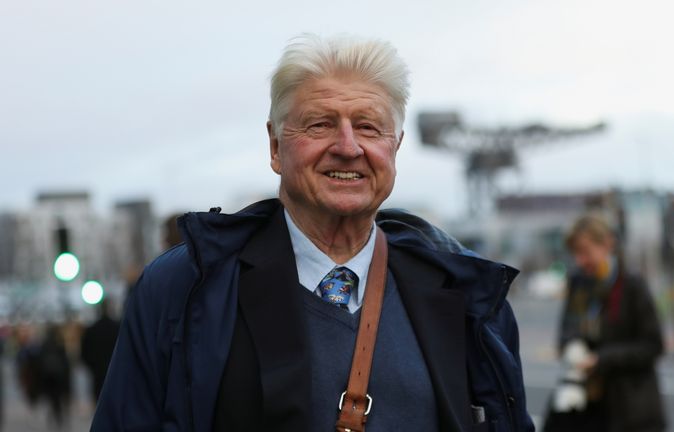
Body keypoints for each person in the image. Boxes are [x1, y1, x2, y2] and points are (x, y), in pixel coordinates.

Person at [92, 34, 533, 432]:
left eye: (367, 126)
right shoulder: (184, 288)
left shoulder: (465, 294)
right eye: (320, 124)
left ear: (394, 147)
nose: (347, 147)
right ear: (275, 147)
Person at [543, 214, 666, 432]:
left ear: (608, 243)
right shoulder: (578, 284)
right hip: (588, 404)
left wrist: (601, 359)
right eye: (575, 253)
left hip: (631, 409)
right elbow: (566, 330)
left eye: (585, 251)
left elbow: (653, 345)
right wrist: (572, 347)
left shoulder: (632, 286)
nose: (580, 261)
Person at [80, 300, 120, 403]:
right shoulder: (118, 328)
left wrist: (92, 366)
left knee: (99, 400)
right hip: (115, 371)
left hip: (97, 371)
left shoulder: (91, 330)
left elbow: (84, 352)